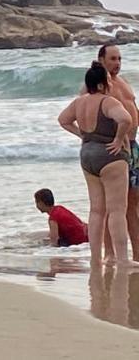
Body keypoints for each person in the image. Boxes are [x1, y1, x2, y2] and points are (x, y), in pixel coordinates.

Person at [58, 63, 134, 265]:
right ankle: (122, 259)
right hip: (110, 157)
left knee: (96, 210)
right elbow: (125, 119)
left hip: (88, 155)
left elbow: (63, 120)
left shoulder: (79, 102)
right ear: (100, 85)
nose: (110, 83)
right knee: (117, 210)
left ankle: (96, 258)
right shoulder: (107, 102)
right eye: (108, 81)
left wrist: (81, 134)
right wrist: (118, 140)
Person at [93, 43, 139, 260]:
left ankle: (137, 254)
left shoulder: (124, 82)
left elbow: (132, 108)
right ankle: (110, 255)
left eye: (119, 59)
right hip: (114, 147)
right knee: (113, 205)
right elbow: (86, 107)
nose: (117, 63)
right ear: (101, 60)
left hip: (133, 146)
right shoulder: (99, 84)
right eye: (112, 59)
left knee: (134, 202)